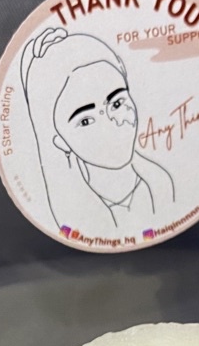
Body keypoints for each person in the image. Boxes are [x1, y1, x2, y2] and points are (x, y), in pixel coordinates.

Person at [21, 28, 174, 232]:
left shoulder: (161, 184)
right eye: (85, 121)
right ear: (61, 141)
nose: (111, 123)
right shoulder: (69, 216)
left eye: (117, 103)